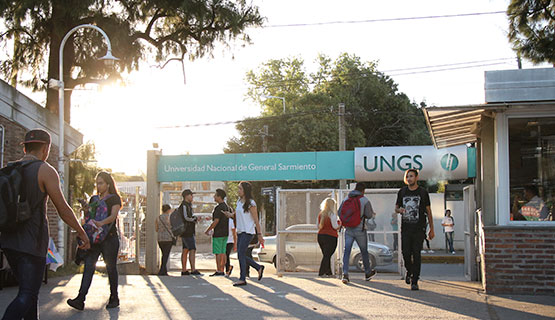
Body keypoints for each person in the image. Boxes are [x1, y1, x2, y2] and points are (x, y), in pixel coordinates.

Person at [0, 129, 90, 319]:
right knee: (27, 295)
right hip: (32, 244)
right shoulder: (45, 170)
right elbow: (63, 209)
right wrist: (81, 232)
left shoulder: (8, 170)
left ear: (25, 147)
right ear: (46, 148)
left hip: (9, 243)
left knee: (29, 296)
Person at [67, 171, 122, 310]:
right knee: (89, 266)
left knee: (111, 268)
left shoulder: (114, 199)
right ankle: (80, 299)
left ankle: (114, 297)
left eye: (101, 183)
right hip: (94, 239)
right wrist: (86, 210)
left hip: (109, 238)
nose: (98, 185)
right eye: (97, 183)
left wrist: (101, 223)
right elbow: (89, 216)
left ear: (108, 184)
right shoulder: (93, 199)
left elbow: (113, 216)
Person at [395, 169, 435, 291]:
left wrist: (432, 229)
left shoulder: (423, 192)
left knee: (416, 254)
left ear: (416, 178)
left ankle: (415, 280)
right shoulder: (402, 192)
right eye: (407, 176)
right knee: (405, 253)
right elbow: (396, 207)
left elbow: (428, 211)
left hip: (419, 229)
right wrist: (399, 210)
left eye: (411, 176)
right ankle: (409, 271)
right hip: (406, 228)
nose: (409, 178)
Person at [225, 181, 264, 286]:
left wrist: (259, 234)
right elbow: (238, 215)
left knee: (241, 254)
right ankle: (258, 267)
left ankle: (243, 278)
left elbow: (256, 220)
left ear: (245, 190)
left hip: (248, 232)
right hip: (240, 231)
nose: (238, 191)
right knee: (240, 254)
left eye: (240, 189)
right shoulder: (239, 201)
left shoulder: (251, 203)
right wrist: (230, 215)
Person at [340, 182, 377, 284]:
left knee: (346, 251)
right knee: (364, 251)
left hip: (348, 229)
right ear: (363, 190)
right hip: (360, 229)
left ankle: (345, 274)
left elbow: (340, 212)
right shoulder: (364, 200)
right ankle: (367, 272)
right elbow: (369, 215)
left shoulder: (346, 199)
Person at [205, 189, 229, 276]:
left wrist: (208, 229)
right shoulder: (227, 206)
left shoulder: (218, 208)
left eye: (215, 195)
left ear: (219, 197)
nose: (214, 197)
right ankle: (222, 269)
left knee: (218, 252)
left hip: (218, 233)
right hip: (225, 232)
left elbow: (216, 221)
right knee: (223, 251)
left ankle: (219, 270)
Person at [178, 189, 201, 276]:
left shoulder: (188, 205)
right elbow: (186, 217)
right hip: (187, 231)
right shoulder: (184, 205)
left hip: (187, 230)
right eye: (191, 195)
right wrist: (194, 219)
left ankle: (184, 270)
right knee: (192, 249)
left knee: (185, 249)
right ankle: (193, 269)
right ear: (186, 196)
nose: (192, 197)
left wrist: (194, 218)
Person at [317, 198, 340, 277]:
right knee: (327, 255)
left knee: (326, 255)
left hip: (321, 236)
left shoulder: (321, 214)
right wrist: (340, 224)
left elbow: (318, 226)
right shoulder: (332, 215)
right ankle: (321, 272)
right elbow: (335, 226)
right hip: (331, 236)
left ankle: (328, 272)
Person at [156, 204, 174, 276]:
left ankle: (164, 270)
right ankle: (162, 270)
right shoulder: (169, 218)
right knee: (166, 255)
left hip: (160, 238)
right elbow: (171, 226)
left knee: (163, 254)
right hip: (168, 238)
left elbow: (156, 228)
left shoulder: (158, 218)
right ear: (168, 210)